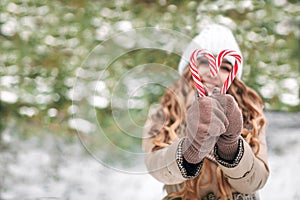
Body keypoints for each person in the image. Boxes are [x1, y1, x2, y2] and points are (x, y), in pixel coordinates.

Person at [142, 24, 269, 200]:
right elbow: (156, 166)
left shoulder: (250, 114)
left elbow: (257, 180)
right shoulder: (162, 113)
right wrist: (190, 150)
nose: (213, 72)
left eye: (224, 67)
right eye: (204, 63)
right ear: (189, 69)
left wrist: (231, 147)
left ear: (234, 76)